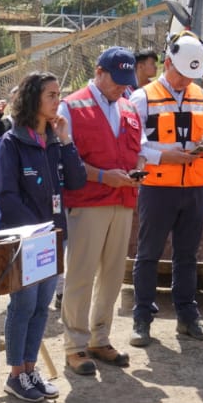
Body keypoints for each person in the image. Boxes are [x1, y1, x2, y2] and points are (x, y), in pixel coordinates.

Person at [128, 33, 203, 345]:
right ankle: (142, 319)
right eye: (182, 74)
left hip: (195, 188)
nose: (186, 81)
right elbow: (133, 145)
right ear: (167, 63)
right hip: (157, 189)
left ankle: (188, 317)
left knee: (187, 256)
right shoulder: (142, 98)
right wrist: (163, 156)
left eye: (192, 76)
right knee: (148, 255)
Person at [0, 72, 86, 403]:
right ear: (34, 99)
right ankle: (15, 374)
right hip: (26, 241)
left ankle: (31, 371)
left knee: (42, 307)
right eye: (51, 94)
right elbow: (6, 196)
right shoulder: (13, 142)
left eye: (58, 94)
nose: (57, 100)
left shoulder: (54, 140)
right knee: (23, 305)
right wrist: (35, 232)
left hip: (53, 239)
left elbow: (76, 182)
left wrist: (66, 140)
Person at [58, 47, 143, 375]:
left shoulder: (128, 107)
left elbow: (139, 148)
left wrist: (138, 167)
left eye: (126, 81)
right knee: (80, 274)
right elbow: (68, 159)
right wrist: (105, 176)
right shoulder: (72, 104)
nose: (121, 87)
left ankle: (100, 337)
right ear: (98, 72)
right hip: (88, 202)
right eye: (116, 80)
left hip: (122, 202)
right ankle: (75, 346)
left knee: (111, 274)